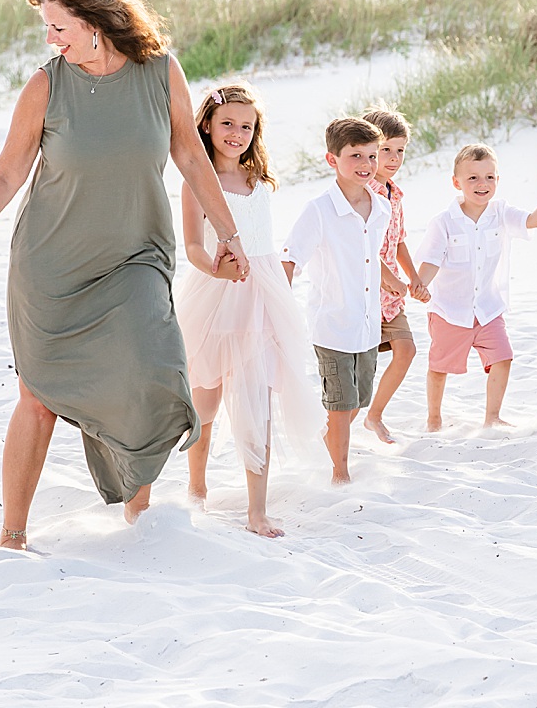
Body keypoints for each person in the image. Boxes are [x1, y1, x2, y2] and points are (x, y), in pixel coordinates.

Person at [0, 0, 249, 549]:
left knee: (151, 371)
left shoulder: (160, 72)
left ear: (96, 21)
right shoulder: (46, 85)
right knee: (38, 397)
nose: (51, 39)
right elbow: (6, 173)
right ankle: (13, 533)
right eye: (47, 28)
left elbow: (191, 156)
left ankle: (138, 514)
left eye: (58, 26)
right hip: (52, 264)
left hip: (137, 254)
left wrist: (229, 232)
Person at [175, 84, 325, 537]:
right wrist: (218, 273)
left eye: (246, 126)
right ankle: (195, 486)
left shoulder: (259, 181)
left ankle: (255, 510)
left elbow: (263, 240)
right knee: (205, 398)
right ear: (206, 125)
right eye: (227, 124)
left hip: (262, 294)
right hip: (214, 293)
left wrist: (276, 279)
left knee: (257, 397)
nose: (236, 133)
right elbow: (194, 248)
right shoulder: (197, 180)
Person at [281, 118, 397, 484]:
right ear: (332, 160)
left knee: (358, 400)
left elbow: (370, 254)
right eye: (355, 156)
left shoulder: (381, 208)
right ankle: (340, 474)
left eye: (372, 156)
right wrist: (279, 309)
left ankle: (328, 435)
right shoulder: (319, 210)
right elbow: (291, 258)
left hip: (366, 325)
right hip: (331, 325)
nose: (366, 164)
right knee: (342, 403)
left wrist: (394, 282)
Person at [414, 145, 537, 431]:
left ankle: (492, 417)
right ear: (457, 183)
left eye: (489, 177)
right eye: (473, 179)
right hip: (449, 311)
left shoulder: (501, 212)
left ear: (497, 180)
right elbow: (430, 261)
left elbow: (533, 221)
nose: (483, 184)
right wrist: (421, 286)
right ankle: (434, 418)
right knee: (440, 367)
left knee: (503, 358)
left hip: (489, 308)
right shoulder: (443, 223)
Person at [361, 107, 429, 444]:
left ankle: (374, 416)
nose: (393, 157)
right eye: (386, 149)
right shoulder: (364, 191)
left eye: (400, 150)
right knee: (360, 364)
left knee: (406, 350)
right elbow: (365, 248)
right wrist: (393, 280)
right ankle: (335, 420)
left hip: (391, 294)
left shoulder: (395, 193)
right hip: (364, 290)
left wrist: (413, 279)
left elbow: (398, 240)